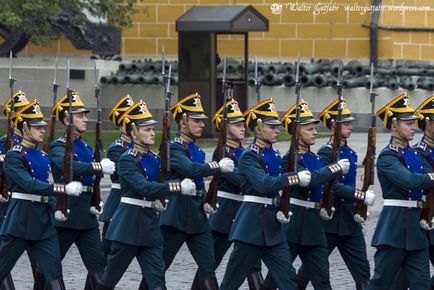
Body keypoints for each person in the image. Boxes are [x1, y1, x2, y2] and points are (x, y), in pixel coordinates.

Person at [96, 100, 197, 290]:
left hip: (150, 229)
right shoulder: (127, 159)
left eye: (153, 129)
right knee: (109, 280)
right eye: (146, 130)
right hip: (127, 227)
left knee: (158, 282)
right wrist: (177, 187)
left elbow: (163, 180)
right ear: (134, 134)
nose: (152, 133)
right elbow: (145, 188)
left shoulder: (156, 159)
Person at [220, 98, 312, 290]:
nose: (277, 129)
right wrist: (294, 177)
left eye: (277, 126)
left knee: (289, 281)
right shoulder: (249, 156)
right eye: (271, 126)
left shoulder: (275, 154)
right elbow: (263, 184)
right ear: (258, 128)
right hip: (251, 228)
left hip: (273, 229)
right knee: (231, 283)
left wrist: (281, 206)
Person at [261, 99, 351, 290]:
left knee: (323, 282)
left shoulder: (316, 158)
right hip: (293, 227)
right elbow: (311, 180)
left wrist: (327, 205)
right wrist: (335, 168)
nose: (315, 133)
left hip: (315, 228)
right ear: (296, 132)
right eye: (309, 129)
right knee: (275, 281)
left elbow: (326, 185)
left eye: (314, 129)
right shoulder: (289, 159)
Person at [0, 100, 83, 290]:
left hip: (43, 225)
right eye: (37, 127)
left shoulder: (44, 157)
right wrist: (62, 189)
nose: (42, 130)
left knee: (54, 274)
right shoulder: (14, 155)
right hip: (20, 222)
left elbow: (46, 184)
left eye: (42, 127)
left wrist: (58, 208)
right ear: (24, 129)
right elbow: (29, 185)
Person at [296, 98, 375, 289]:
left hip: (349, 220)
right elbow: (333, 186)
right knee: (310, 270)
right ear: (333, 126)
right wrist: (359, 196)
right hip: (329, 219)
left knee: (362, 271)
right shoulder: (325, 153)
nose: (350, 127)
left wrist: (359, 205)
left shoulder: (351, 152)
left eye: (350, 123)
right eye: (345, 123)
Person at [159, 92, 234, 289]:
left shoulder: (197, 150)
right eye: (197, 121)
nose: (202, 124)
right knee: (159, 268)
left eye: (202, 121)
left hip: (197, 217)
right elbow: (190, 169)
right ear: (183, 122)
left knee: (208, 269)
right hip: (175, 217)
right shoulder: (173, 148)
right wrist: (217, 166)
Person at [367, 93, 434, 289]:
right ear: (394, 125)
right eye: (408, 123)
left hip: (417, 229)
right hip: (394, 227)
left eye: (414, 122)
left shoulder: (412, 153)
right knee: (381, 283)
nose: (414, 127)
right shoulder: (388, 156)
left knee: (421, 284)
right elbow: (410, 181)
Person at [49, 91, 115, 289]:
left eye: (85, 115)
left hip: (87, 217)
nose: (86, 119)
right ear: (67, 119)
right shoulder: (58, 146)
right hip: (65, 215)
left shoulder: (86, 147)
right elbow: (69, 165)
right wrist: (98, 167)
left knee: (99, 268)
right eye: (80, 115)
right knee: (50, 268)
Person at [99, 95, 135, 257]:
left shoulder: (141, 147)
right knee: (108, 254)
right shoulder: (117, 148)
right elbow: (127, 178)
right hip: (118, 204)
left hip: (136, 205)